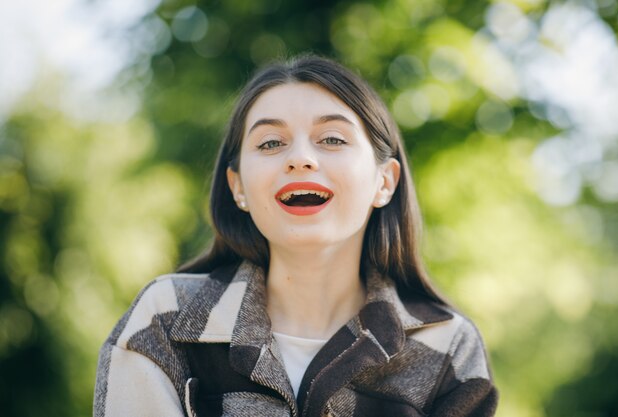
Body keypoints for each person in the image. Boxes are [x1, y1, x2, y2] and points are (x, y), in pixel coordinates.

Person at [94, 55, 498, 417]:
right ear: (238, 187)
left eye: (332, 139)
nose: (300, 158)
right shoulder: (164, 318)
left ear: (384, 182)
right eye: (270, 142)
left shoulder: (449, 346)